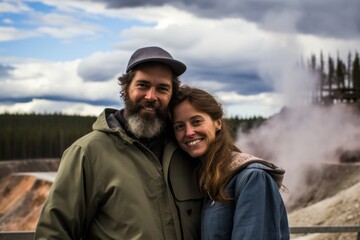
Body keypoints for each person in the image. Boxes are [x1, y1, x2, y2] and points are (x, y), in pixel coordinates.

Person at [34, 47, 203, 240]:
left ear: (171, 95)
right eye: (143, 85)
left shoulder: (186, 148)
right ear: (126, 88)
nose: (151, 96)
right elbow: (53, 233)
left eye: (162, 88)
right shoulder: (88, 152)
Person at [170, 85, 290, 240]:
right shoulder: (207, 178)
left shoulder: (252, 178)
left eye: (196, 121)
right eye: (179, 126)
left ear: (217, 123)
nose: (189, 132)